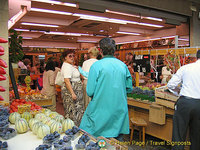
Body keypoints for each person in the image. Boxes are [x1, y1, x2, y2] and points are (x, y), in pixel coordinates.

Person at [79, 38, 133, 139]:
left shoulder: (96, 66)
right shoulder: (123, 66)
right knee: (116, 143)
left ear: (100, 51)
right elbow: (129, 88)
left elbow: (90, 91)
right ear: (114, 51)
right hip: (118, 112)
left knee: (97, 142)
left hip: (100, 113)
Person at [167, 50, 200, 150]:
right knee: (197, 137)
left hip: (185, 103)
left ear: (196, 57)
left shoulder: (186, 68)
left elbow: (171, 85)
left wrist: (178, 92)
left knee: (179, 135)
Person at [61, 50, 84, 126]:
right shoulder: (67, 66)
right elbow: (67, 80)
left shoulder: (69, 65)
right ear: (65, 57)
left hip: (74, 90)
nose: (72, 57)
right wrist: (72, 93)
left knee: (74, 110)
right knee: (73, 110)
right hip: (72, 91)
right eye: (70, 56)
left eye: (73, 56)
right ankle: (74, 128)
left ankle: (74, 127)